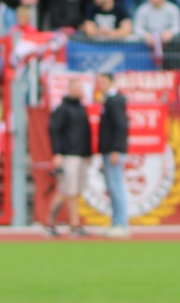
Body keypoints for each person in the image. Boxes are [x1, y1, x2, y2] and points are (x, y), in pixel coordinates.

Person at [47, 80, 94, 238]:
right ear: (70, 89)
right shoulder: (62, 109)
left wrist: (88, 153)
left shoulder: (81, 108)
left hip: (80, 154)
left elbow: (86, 132)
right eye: (77, 88)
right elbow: (55, 131)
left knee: (72, 191)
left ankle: (65, 224)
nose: (80, 91)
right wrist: (57, 152)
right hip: (68, 155)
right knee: (67, 191)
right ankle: (60, 224)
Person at [96, 72, 131, 238]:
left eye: (103, 82)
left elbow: (121, 126)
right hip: (109, 150)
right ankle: (116, 222)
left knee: (116, 187)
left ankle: (121, 223)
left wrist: (116, 149)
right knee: (112, 188)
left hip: (113, 151)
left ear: (111, 82)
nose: (100, 85)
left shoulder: (115, 101)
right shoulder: (109, 100)